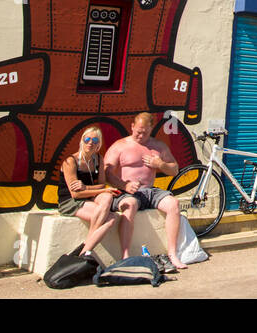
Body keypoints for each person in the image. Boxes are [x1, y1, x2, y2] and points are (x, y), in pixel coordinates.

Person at [105, 112, 187, 270]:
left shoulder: (158, 146)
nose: (141, 135)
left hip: (150, 191)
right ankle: (125, 255)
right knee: (130, 206)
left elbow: (174, 169)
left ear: (151, 129)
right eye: (138, 131)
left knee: (173, 204)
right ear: (132, 126)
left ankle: (172, 254)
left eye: (145, 132)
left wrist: (160, 164)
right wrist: (124, 185)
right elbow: (107, 173)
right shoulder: (120, 145)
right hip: (126, 192)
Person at [57, 126, 122, 256]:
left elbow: (102, 185)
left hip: (88, 197)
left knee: (107, 197)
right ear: (82, 140)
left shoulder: (98, 159)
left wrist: (87, 188)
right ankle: (86, 251)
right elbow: (76, 193)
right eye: (87, 139)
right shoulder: (70, 161)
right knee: (112, 218)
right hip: (71, 202)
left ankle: (86, 246)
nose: (90, 143)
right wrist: (100, 190)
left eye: (95, 140)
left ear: (99, 144)